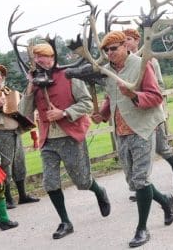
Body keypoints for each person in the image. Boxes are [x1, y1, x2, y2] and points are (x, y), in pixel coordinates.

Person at [19, 43, 110, 240]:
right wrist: (29, 85)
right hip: (48, 140)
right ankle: (65, 221)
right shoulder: (34, 82)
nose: (39, 60)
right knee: (50, 183)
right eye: (36, 58)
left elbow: (85, 103)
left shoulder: (69, 75)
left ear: (52, 58)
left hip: (70, 135)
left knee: (82, 181)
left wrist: (64, 113)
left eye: (42, 57)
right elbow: (23, 112)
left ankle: (99, 191)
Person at [92, 31, 173, 248]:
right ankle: (165, 201)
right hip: (120, 131)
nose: (110, 53)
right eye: (106, 50)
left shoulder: (140, 65)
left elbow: (156, 96)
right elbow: (111, 97)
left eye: (114, 48)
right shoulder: (107, 71)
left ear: (125, 46)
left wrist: (134, 95)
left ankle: (142, 229)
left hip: (143, 128)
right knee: (134, 182)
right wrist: (101, 113)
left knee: (140, 180)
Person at [123, 28, 173, 190]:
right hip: (131, 115)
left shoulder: (151, 60)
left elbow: (160, 86)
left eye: (129, 39)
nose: (126, 42)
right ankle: (140, 187)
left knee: (161, 147)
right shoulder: (121, 65)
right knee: (135, 152)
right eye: (123, 40)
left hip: (151, 112)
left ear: (137, 41)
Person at [0, 64, 39, 209]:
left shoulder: (7, 91)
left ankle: (23, 195)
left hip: (15, 132)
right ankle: (8, 199)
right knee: (5, 165)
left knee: (19, 163)